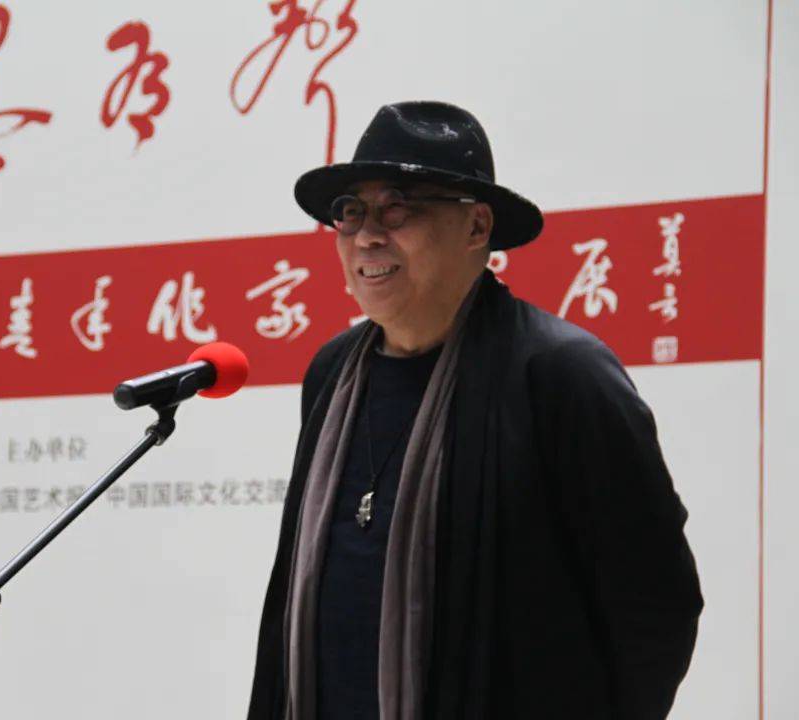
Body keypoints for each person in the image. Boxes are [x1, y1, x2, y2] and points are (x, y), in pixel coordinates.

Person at [245, 101, 704, 720]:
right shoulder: (333, 374)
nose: (367, 235)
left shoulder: (560, 376)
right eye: (351, 211)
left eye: (398, 207)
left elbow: (656, 605)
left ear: (477, 226)